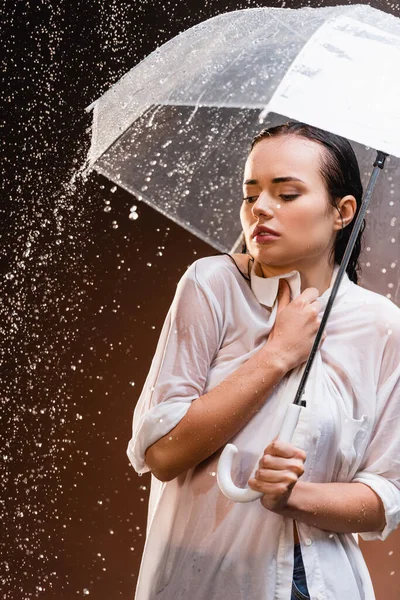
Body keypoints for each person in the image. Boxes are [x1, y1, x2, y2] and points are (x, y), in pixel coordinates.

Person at [127, 122, 400, 600]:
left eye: (287, 193)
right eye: (250, 194)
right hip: (202, 583)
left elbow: (385, 495)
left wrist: (294, 498)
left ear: (343, 212)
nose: (261, 210)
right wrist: (276, 354)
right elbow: (163, 453)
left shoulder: (380, 326)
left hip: (320, 585)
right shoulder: (210, 286)